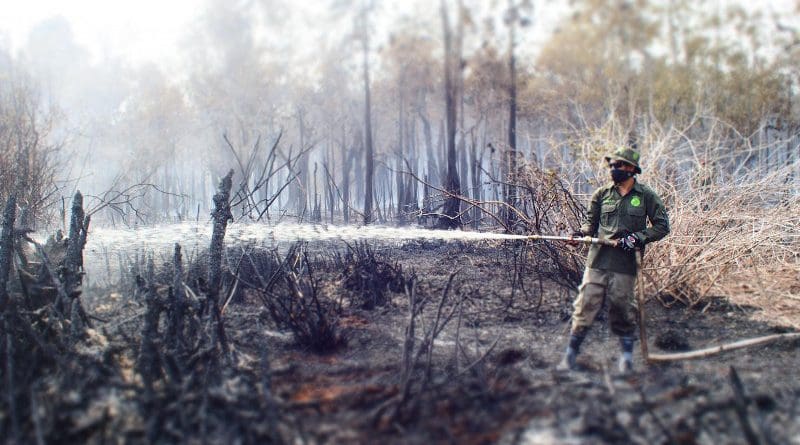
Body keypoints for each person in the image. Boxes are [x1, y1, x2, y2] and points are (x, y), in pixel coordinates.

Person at [557, 147, 670, 372]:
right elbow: (590, 225)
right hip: (598, 259)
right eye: (611, 166)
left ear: (630, 168)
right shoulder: (601, 194)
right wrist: (579, 235)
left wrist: (637, 238)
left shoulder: (646, 195)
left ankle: (626, 358)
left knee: (621, 307)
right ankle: (570, 355)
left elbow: (662, 226)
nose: (613, 170)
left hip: (625, 263)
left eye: (617, 166)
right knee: (585, 303)